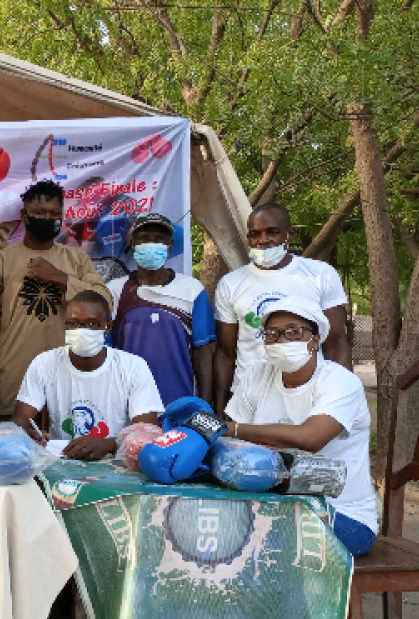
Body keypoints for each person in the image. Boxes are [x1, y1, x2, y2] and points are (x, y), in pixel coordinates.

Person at [224, 298, 377, 555]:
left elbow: (310, 438)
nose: (282, 340)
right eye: (272, 334)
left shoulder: (340, 382)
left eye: (294, 332)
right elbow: (230, 445)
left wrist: (234, 429)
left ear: (315, 340)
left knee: (256, 546)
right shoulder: (256, 376)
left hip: (341, 516)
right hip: (273, 505)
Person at [0, 180, 110, 418]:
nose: (47, 218)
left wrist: (60, 278)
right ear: (25, 216)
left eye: (54, 213)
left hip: (70, 370)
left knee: (66, 441)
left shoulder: (76, 259)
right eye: (40, 213)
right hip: (15, 372)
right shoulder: (3, 260)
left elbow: (105, 302)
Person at [214, 203, 350, 414]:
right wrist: (220, 407)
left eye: (273, 232)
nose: (263, 240)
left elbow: (336, 343)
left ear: (290, 234)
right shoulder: (230, 283)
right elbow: (225, 353)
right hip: (248, 399)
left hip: (308, 395)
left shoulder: (320, 275)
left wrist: (341, 399)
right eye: (254, 234)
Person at [13, 291, 162, 460]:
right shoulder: (44, 363)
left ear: (108, 327)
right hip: (62, 462)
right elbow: (21, 419)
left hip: (117, 467)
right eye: (73, 323)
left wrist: (108, 445)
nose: (82, 331)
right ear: (65, 326)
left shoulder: (133, 367)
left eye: (92, 323)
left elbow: (148, 434)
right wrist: (30, 433)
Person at [107, 213, 215, 406]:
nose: (151, 244)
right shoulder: (114, 290)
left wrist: (205, 404)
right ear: (133, 244)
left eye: (159, 239)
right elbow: (106, 351)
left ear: (170, 245)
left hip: (180, 401)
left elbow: (203, 351)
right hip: (127, 403)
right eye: (143, 239)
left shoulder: (192, 290)